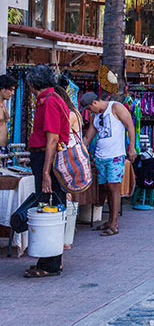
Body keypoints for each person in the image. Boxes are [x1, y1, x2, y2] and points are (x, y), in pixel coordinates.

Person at [23, 66, 69, 278]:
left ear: (33, 83)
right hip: (46, 158)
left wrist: (45, 173)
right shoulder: (52, 98)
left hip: (47, 158)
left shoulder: (49, 101)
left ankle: (50, 263)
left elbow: (52, 139)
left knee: (48, 206)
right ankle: (50, 259)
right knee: (51, 207)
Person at [80, 92, 137, 236]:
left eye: (88, 108)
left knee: (114, 187)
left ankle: (114, 224)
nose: (88, 111)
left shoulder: (116, 108)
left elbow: (130, 125)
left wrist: (131, 148)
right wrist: (79, 150)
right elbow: (88, 137)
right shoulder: (96, 117)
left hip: (115, 155)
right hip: (101, 157)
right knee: (106, 188)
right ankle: (110, 221)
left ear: (94, 103)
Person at [55, 78, 82, 250]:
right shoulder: (76, 112)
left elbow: (61, 135)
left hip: (68, 155)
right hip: (75, 155)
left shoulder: (70, 115)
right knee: (69, 194)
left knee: (67, 195)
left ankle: (66, 238)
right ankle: (67, 237)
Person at [0, 73, 17, 149]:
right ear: (2, 88)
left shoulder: (3, 104)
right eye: (10, 90)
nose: (12, 93)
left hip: (4, 149)